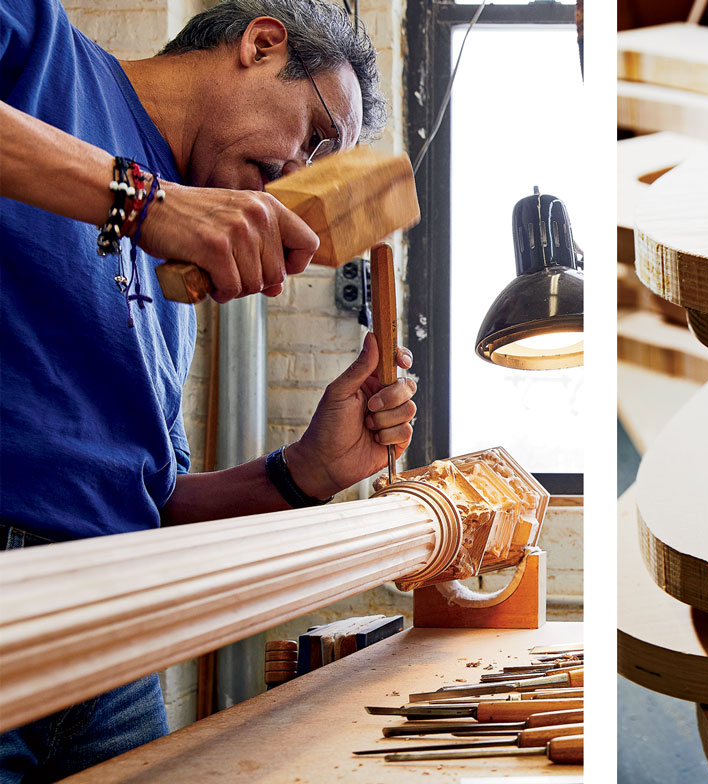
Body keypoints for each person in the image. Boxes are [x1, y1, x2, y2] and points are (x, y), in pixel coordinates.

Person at [0, 0, 416, 779]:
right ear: (261, 44)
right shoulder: (42, 52)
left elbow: (151, 506)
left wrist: (307, 471)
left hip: (115, 637)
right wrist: (146, 203)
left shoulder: (179, 287)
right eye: (316, 139)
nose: (303, 179)